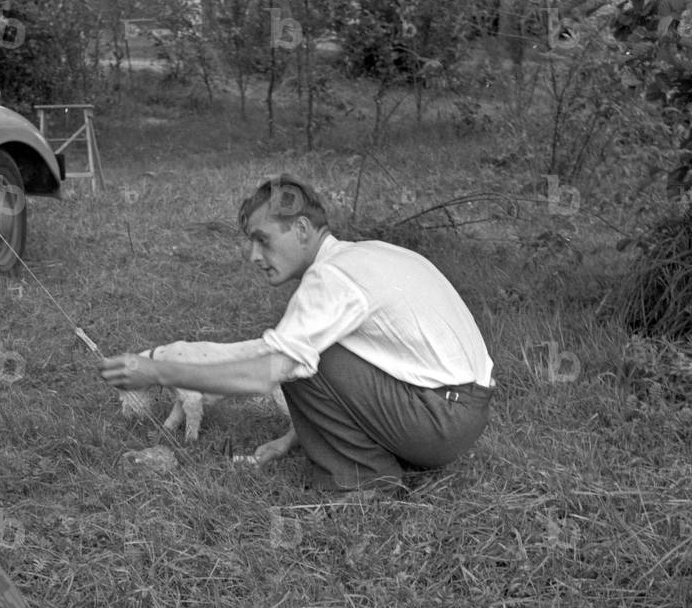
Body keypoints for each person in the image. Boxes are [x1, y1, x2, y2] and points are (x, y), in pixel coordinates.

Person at [100, 174, 494, 494]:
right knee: (306, 349)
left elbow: (267, 373)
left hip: (440, 420)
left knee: (292, 358)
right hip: (460, 412)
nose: (254, 256)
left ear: (302, 228)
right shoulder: (370, 254)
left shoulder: (332, 276)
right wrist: (290, 439)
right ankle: (381, 456)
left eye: (263, 240)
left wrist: (159, 372)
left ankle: (362, 482)